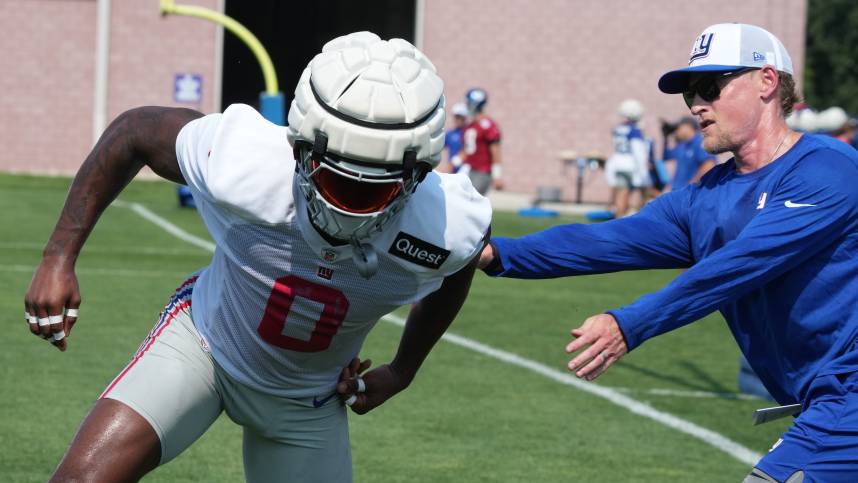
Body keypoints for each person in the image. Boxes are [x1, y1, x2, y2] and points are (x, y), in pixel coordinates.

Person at [23, 31, 491, 482]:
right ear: (300, 147)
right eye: (335, 179)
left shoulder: (447, 226)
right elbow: (135, 131)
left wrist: (405, 369)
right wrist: (58, 257)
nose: (346, 203)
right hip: (203, 347)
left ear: (417, 175)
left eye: (373, 187)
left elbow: (460, 262)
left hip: (308, 399)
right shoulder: (246, 161)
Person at [479, 23, 858, 482]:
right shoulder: (706, 197)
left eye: (709, 87)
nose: (697, 104)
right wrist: (493, 253)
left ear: (767, 81)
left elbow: (738, 266)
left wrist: (629, 324)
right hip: (827, 405)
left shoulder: (828, 170)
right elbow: (607, 241)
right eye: (688, 94)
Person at [604, 99, 650, 216]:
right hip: (631, 165)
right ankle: (638, 217)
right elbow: (638, 151)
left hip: (618, 163)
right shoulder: (634, 130)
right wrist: (643, 169)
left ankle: (619, 218)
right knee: (645, 192)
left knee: (621, 193)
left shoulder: (618, 128)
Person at [461, 87, 503, 194]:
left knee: (471, 204)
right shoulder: (471, 125)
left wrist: (497, 176)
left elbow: (496, 151)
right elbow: (467, 149)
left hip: (482, 172)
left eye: (468, 102)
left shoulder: (488, 125)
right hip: (467, 169)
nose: (466, 105)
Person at [661, 116, 715, 191]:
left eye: (678, 128)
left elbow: (709, 164)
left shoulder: (699, 142)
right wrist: (666, 138)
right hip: (678, 191)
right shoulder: (682, 145)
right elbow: (666, 157)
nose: (676, 131)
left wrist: (693, 185)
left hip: (691, 193)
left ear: (688, 127)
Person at [443, 102, 469, 173]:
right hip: (453, 171)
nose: (458, 119)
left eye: (460, 117)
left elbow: (468, 150)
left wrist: (454, 162)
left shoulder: (469, 132)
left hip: (466, 169)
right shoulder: (450, 133)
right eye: (456, 117)